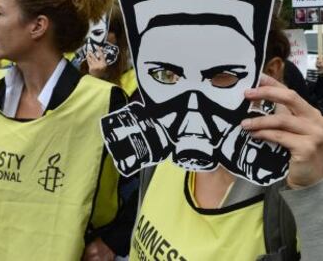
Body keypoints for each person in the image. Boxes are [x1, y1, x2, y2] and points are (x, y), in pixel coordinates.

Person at [128, 23, 323, 260]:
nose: (189, 97)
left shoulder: (301, 177)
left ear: (271, 72)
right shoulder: (166, 153)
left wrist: (312, 194)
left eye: (217, 73)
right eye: (174, 73)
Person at [0, 0, 127, 261]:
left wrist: (112, 241)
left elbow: (145, 182)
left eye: (0, 13)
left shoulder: (101, 101)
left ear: (38, 26)